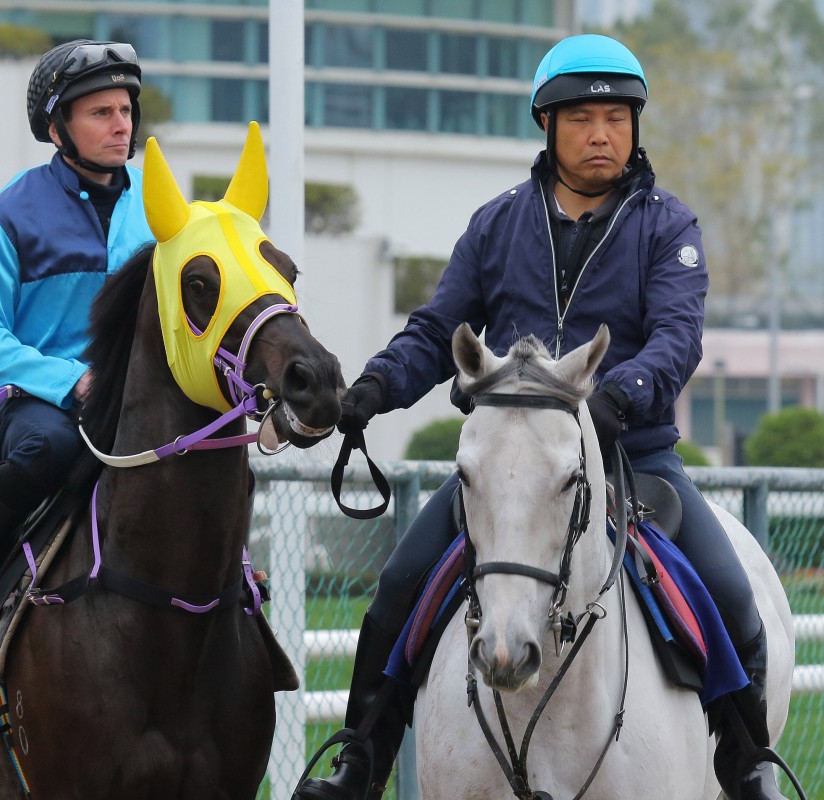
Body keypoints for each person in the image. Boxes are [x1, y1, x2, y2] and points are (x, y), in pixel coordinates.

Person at [294, 34, 791, 800]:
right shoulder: (496, 224)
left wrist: (620, 395)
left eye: (618, 118)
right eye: (584, 117)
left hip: (634, 455)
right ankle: (359, 762)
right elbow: (435, 331)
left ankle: (747, 766)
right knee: (396, 590)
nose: (603, 134)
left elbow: (676, 338)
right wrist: (372, 390)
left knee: (730, 596)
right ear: (547, 125)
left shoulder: (669, 227)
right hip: (507, 469)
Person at [0, 39, 154, 656]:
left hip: (140, 397)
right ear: (58, 127)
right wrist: (71, 381)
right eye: (101, 112)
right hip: (43, 405)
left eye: (126, 109)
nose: (121, 125)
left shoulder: (161, 205)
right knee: (53, 445)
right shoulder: (12, 213)